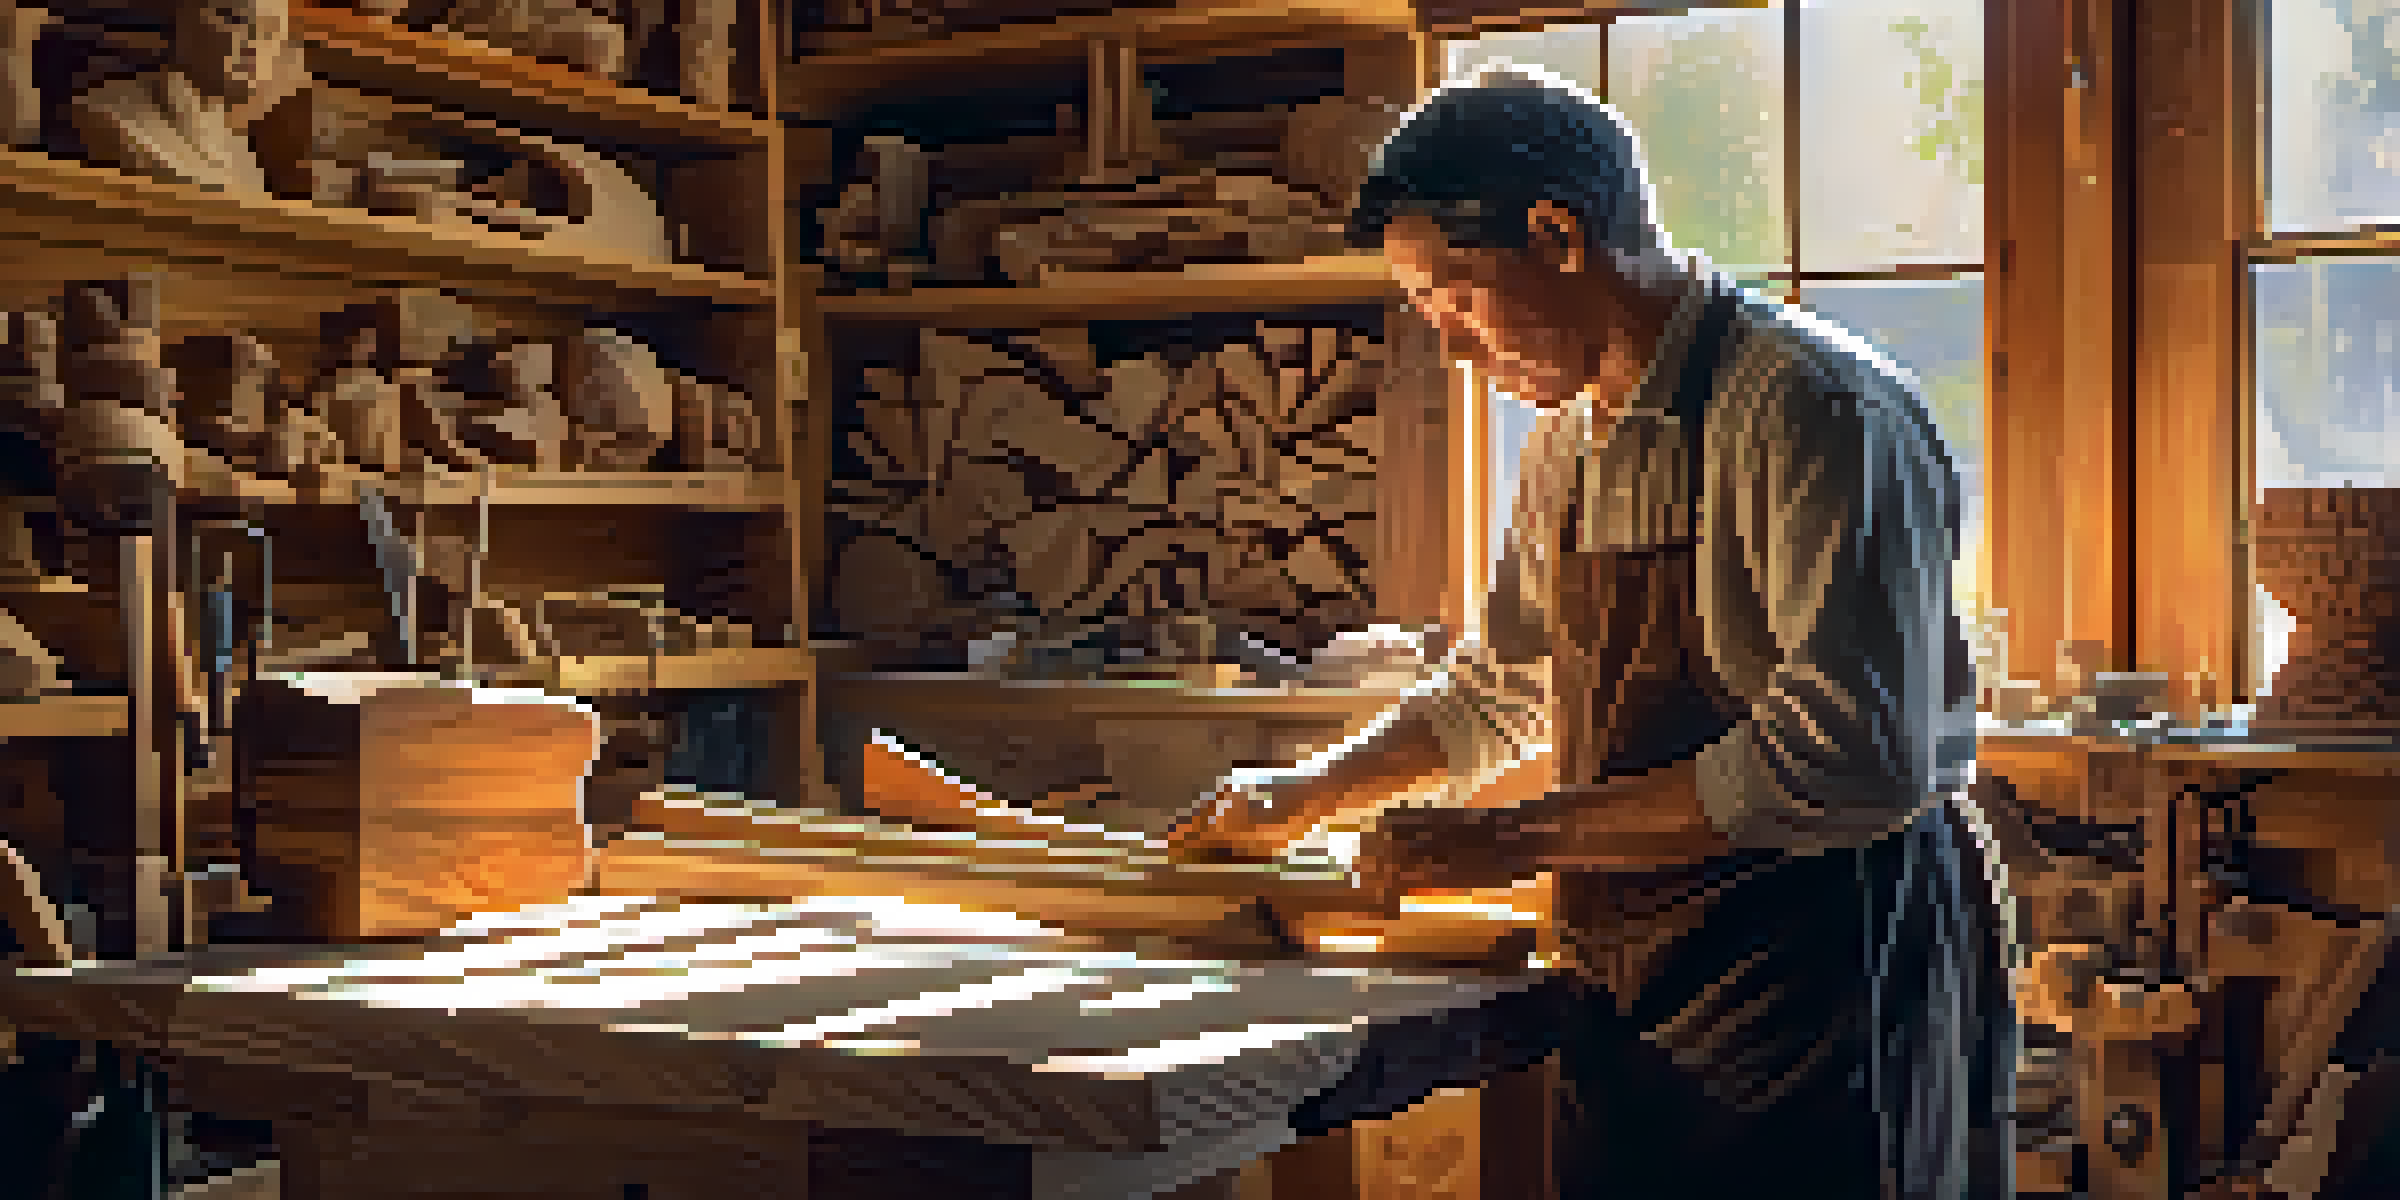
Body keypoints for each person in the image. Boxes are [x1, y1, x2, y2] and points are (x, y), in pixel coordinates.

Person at [1167, 64, 2015, 1199]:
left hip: (1823, 967)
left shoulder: (1812, 410)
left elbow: (1849, 755)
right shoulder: (1567, 444)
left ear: (1559, 236)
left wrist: (1512, 840)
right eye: (1429, 318)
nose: (1455, 352)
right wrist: (1310, 791)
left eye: (1458, 301)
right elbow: (1496, 692)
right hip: (1640, 957)